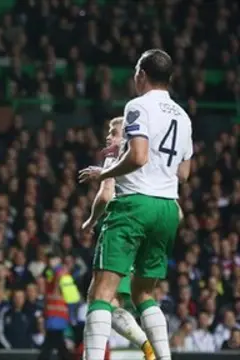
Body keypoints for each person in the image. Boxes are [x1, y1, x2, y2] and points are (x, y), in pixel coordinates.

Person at [79, 49, 193, 360]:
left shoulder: (137, 106)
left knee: (101, 293)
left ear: (141, 74)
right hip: (168, 208)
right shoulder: (183, 116)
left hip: (134, 206)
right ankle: (162, 356)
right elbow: (184, 173)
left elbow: (139, 155)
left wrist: (104, 172)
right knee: (145, 293)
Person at [81, 117, 156, 360]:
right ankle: (147, 347)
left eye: (113, 132)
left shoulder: (116, 156)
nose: (108, 137)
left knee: (98, 298)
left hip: (120, 230)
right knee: (111, 302)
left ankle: (93, 357)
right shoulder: (147, 156)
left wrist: (91, 221)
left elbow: (105, 195)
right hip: (143, 230)